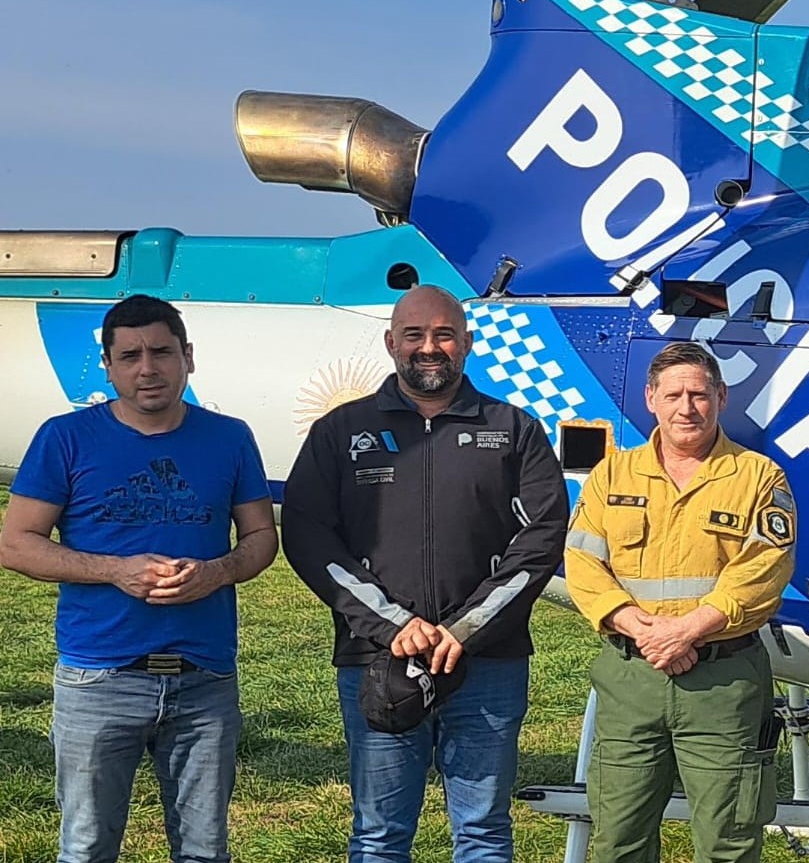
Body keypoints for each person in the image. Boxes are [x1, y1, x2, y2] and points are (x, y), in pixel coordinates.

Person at [281, 284, 568, 863]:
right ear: (392, 343)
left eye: (443, 334)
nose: (429, 347)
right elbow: (308, 535)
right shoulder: (341, 431)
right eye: (414, 335)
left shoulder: (514, 429)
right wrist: (392, 625)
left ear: (465, 342)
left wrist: (465, 629)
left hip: (487, 660)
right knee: (378, 835)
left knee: (484, 831)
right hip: (381, 660)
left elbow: (541, 540)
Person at [0, 294, 277, 863]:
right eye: (129, 356)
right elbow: (15, 543)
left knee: (204, 850)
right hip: (99, 678)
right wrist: (115, 572)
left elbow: (261, 539)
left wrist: (215, 573)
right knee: (86, 847)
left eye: (161, 352)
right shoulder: (66, 437)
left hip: (204, 678)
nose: (146, 368)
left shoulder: (229, 437)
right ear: (108, 365)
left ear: (188, 358)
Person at [563, 341, 795, 863]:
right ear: (651, 399)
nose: (686, 408)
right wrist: (641, 628)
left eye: (699, 394)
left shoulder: (758, 478)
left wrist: (688, 630)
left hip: (722, 683)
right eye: (673, 395)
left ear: (721, 397)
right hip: (632, 681)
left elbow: (763, 570)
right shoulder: (612, 475)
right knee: (617, 840)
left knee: (727, 843)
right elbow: (582, 564)